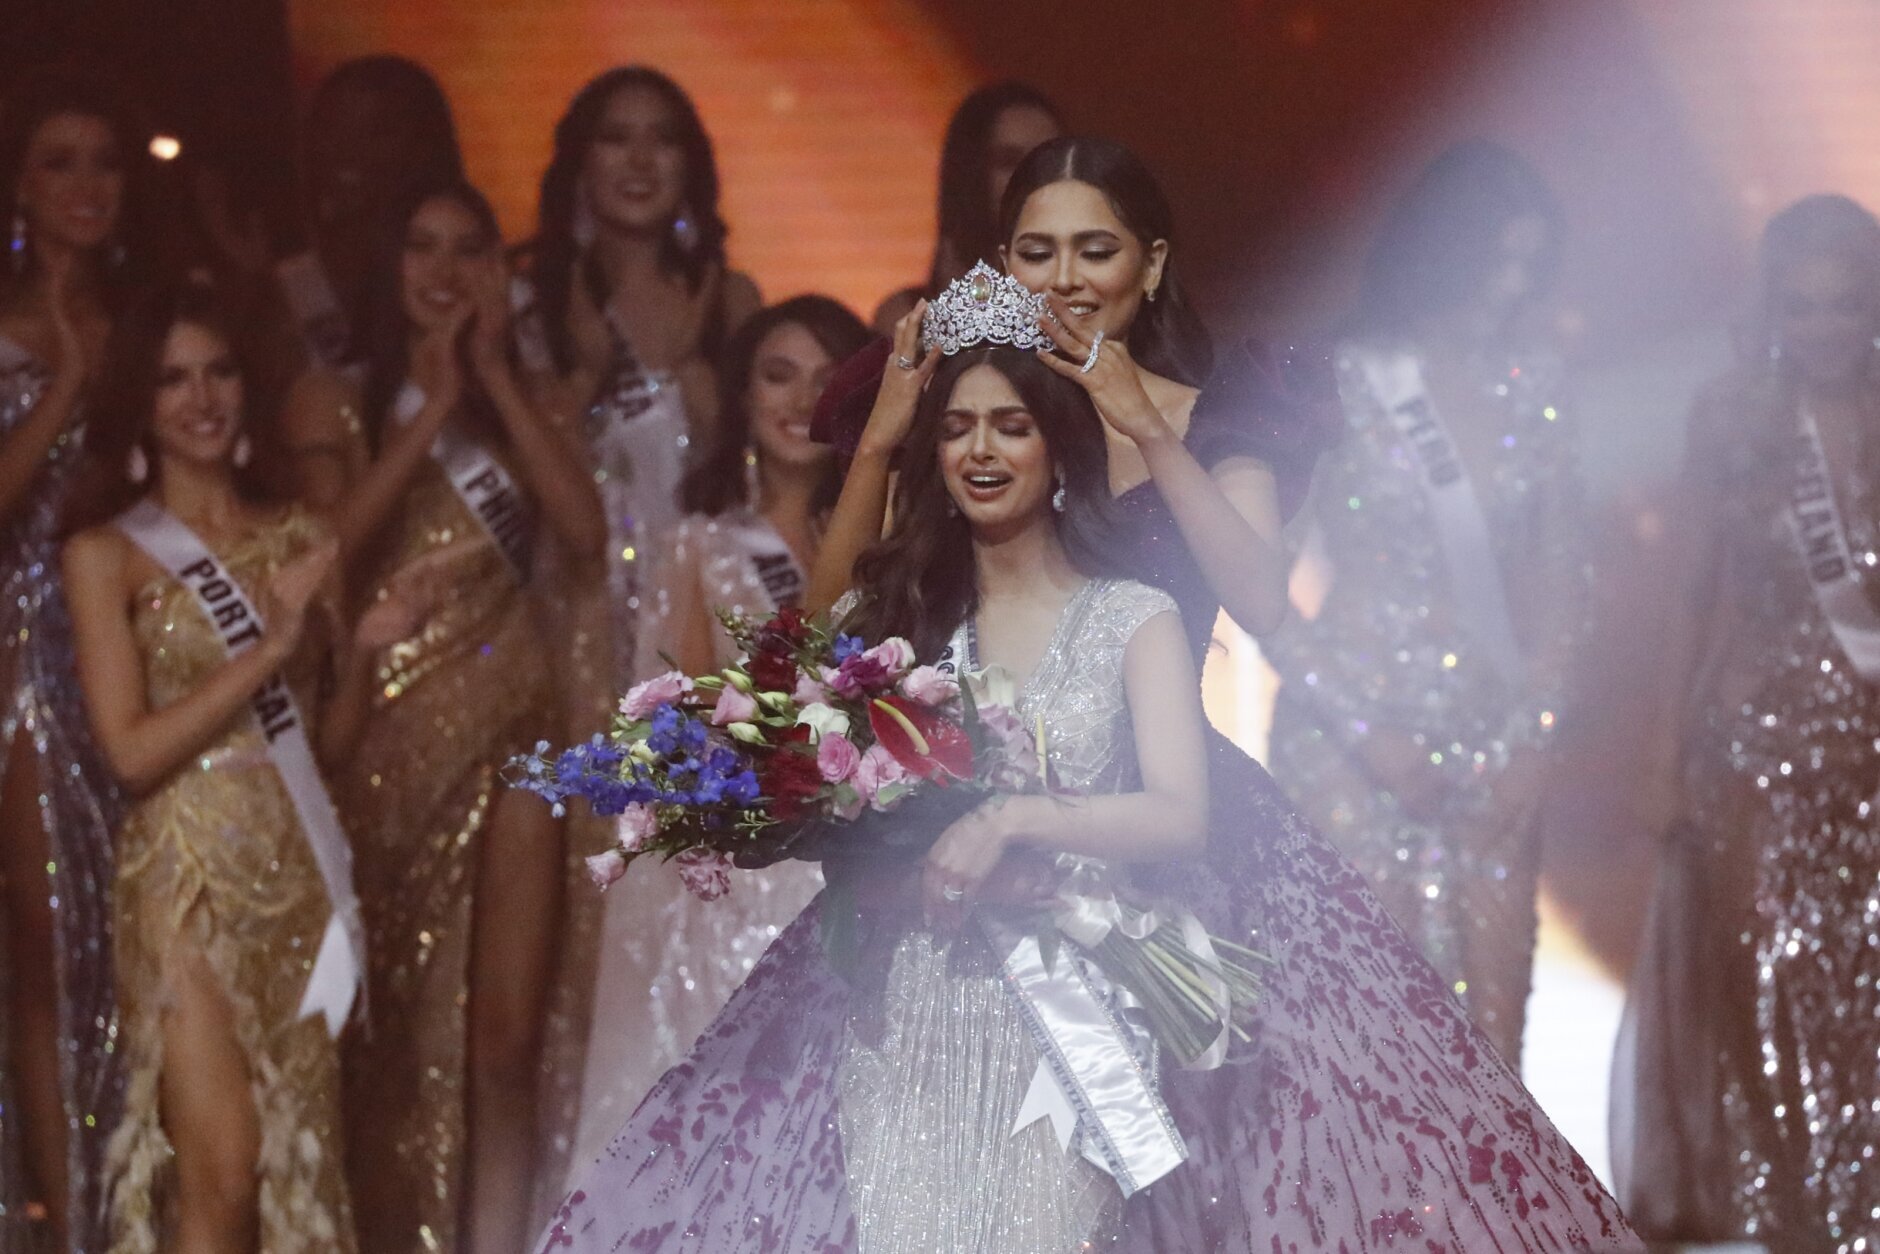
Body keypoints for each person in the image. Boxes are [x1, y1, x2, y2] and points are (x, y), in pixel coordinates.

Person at [538, 268, 1631, 1251]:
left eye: (1010, 426)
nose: (980, 451)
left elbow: (1178, 813)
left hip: (1066, 1018)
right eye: (957, 429)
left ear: (1056, 448)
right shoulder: (907, 626)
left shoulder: (1130, 617)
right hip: (907, 1015)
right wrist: (875, 443)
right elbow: (797, 675)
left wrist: (1014, 819)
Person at [282, 178, 604, 1254]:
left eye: (471, 249)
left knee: (502, 1046)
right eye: (423, 245)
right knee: (393, 1039)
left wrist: (495, 381)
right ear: (390, 265)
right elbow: (324, 549)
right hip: (384, 739)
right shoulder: (334, 399)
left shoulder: (530, 400)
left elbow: (583, 532)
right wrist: (428, 409)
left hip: (515, 729)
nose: (445, 270)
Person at [63, 282, 396, 1252]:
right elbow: (129, 753)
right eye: (173, 379)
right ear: (140, 400)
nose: (201, 398)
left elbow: (329, 751)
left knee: (300, 1161)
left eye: (218, 372)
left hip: (296, 868)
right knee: (224, 1172)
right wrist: (270, 647)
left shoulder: (303, 539)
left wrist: (363, 650)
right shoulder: (105, 555)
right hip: (186, 878)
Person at [1260, 140, 1587, 1064]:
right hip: (1347, 750)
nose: (1510, 288)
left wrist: (1536, 738)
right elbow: (1257, 585)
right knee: (1359, 1059)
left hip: (1491, 750)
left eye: (1530, 265)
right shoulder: (1339, 381)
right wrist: (1366, 734)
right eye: (1495, 261)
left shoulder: (1537, 386)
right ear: (1443, 250)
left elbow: (1566, 575)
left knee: (1491, 1055)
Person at [1612, 193, 1880, 1252]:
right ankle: (1789, 1225)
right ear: (1772, 309)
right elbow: (1688, 591)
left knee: (1864, 994)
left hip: (1871, 758)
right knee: (1761, 992)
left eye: (1844, 304)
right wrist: (1660, 752)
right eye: (1801, 306)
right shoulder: (1731, 417)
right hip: (1754, 750)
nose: (1823, 327)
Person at [565, 294, 868, 1170]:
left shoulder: (884, 544)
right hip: (747, 878)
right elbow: (676, 723)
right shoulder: (701, 544)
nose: (801, 399)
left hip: (857, 867)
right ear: (741, 395)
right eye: (779, 376)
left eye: (825, 380)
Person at [0, 71, 145, 1253]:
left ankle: (138, 1201)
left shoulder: (154, 324)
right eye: (60, 161)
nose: (87, 184)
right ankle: (65, 1222)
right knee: (47, 944)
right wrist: (67, 390)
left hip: (130, 654)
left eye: (104, 161)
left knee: (132, 936)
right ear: (19, 185)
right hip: (18, 667)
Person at [277, 56, 464, 380]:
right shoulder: (296, 284)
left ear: (425, 143)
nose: (347, 149)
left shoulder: (464, 270)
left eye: (377, 131)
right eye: (332, 129)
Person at [870, 81, 1064, 333]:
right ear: (971, 176)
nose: (1032, 177)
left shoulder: (1098, 307)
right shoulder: (905, 318)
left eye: (1046, 160)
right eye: (1009, 161)